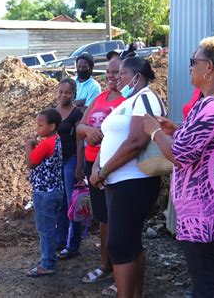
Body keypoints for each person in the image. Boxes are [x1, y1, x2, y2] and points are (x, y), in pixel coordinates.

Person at [143, 35, 214, 297]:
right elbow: (209, 145)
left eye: (194, 61)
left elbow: (179, 154)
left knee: (208, 286)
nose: (191, 67)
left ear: (209, 67)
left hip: (204, 212)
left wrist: (155, 132)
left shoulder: (210, 107)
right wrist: (176, 129)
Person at [90, 56, 163, 297]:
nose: (116, 78)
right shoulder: (128, 101)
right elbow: (109, 139)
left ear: (137, 76)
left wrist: (104, 170)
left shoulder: (145, 98)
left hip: (134, 182)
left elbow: (136, 142)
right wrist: (97, 168)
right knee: (129, 243)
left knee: (119, 244)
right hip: (118, 182)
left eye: (121, 74)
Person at [76, 57, 125, 294]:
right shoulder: (99, 98)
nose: (112, 76)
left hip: (114, 166)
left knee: (119, 220)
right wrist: (89, 130)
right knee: (103, 218)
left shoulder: (129, 101)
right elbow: (80, 127)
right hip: (92, 165)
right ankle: (106, 265)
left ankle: (121, 272)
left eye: (117, 72)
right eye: (109, 71)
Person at [24, 108, 64, 277]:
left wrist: (28, 146)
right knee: (49, 227)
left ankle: (47, 263)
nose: (37, 129)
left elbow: (31, 163)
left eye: (40, 125)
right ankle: (49, 259)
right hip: (55, 190)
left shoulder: (47, 143)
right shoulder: (56, 140)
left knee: (45, 229)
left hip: (44, 192)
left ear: (51, 126)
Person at [54, 78, 84, 259]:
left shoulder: (76, 114)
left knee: (72, 203)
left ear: (74, 94)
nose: (64, 95)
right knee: (60, 202)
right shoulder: (52, 113)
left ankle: (73, 245)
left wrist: (79, 166)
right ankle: (60, 239)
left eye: (68, 92)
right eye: (61, 91)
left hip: (70, 161)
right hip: (55, 163)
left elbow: (80, 141)